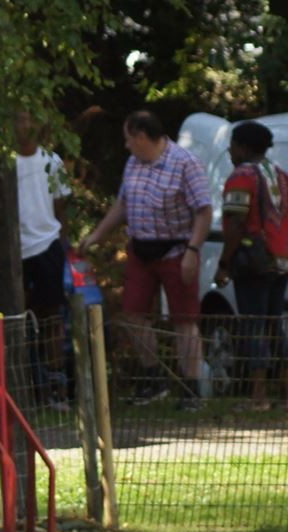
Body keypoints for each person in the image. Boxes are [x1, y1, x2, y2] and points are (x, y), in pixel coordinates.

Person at [76, 110, 213, 409]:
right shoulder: (133, 163)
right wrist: (97, 235)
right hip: (141, 250)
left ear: (141, 137)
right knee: (132, 315)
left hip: (177, 250)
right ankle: (153, 379)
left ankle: (191, 390)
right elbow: (123, 204)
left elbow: (204, 210)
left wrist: (192, 251)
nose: (125, 146)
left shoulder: (185, 163)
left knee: (185, 321)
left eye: (128, 139)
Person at [213, 120, 288, 412]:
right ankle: (286, 396)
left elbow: (236, 222)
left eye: (233, 145)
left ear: (244, 147)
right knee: (275, 324)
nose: (230, 151)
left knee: (254, 325)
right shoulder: (284, 177)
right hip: (282, 261)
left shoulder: (241, 176)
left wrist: (224, 263)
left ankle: (258, 397)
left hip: (254, 262)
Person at [15, 112, 74, 409]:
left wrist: (63, 241)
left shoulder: (52, 161)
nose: (25, 126)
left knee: (53, 319)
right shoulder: (4, 163)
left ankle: (56, 383)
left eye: (30, 120)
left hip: (47, 245)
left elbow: (60, 204)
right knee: (19, 319)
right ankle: (23, 383)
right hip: (16, 251)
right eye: (19, 120)